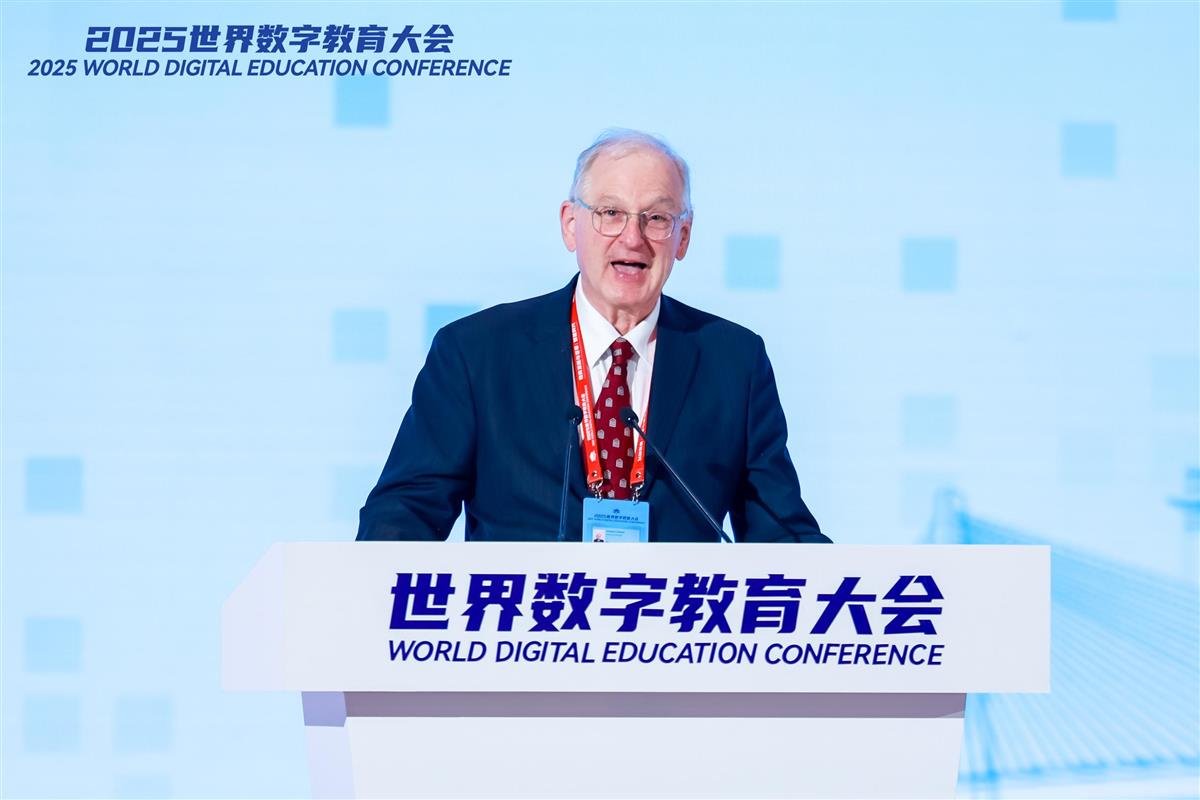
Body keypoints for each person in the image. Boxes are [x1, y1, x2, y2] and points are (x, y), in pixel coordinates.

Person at [357, 129, 827, 543]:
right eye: (610, 213)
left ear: (683, 237)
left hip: (669, 617)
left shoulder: (734, 361)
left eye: (657, 218)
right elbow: (403, 515)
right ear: (570, 225)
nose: (632, 238)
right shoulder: (476, 353)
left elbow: (781, 532)